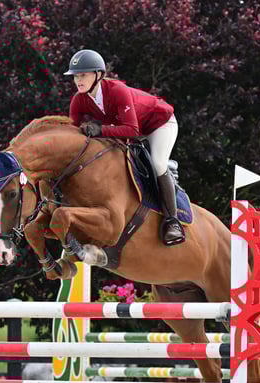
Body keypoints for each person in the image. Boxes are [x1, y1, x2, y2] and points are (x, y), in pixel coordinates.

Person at [64, 49, 185, 246]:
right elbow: (72, 131)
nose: (78, 80)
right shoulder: (79, 99)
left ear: (99, 75)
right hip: (131, 128)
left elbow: (132, 130)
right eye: (75, 76)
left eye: (83, 75)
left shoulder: (116, 91)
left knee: (157, 163)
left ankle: (173, 221)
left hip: (159, 124)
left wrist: (100, 130)